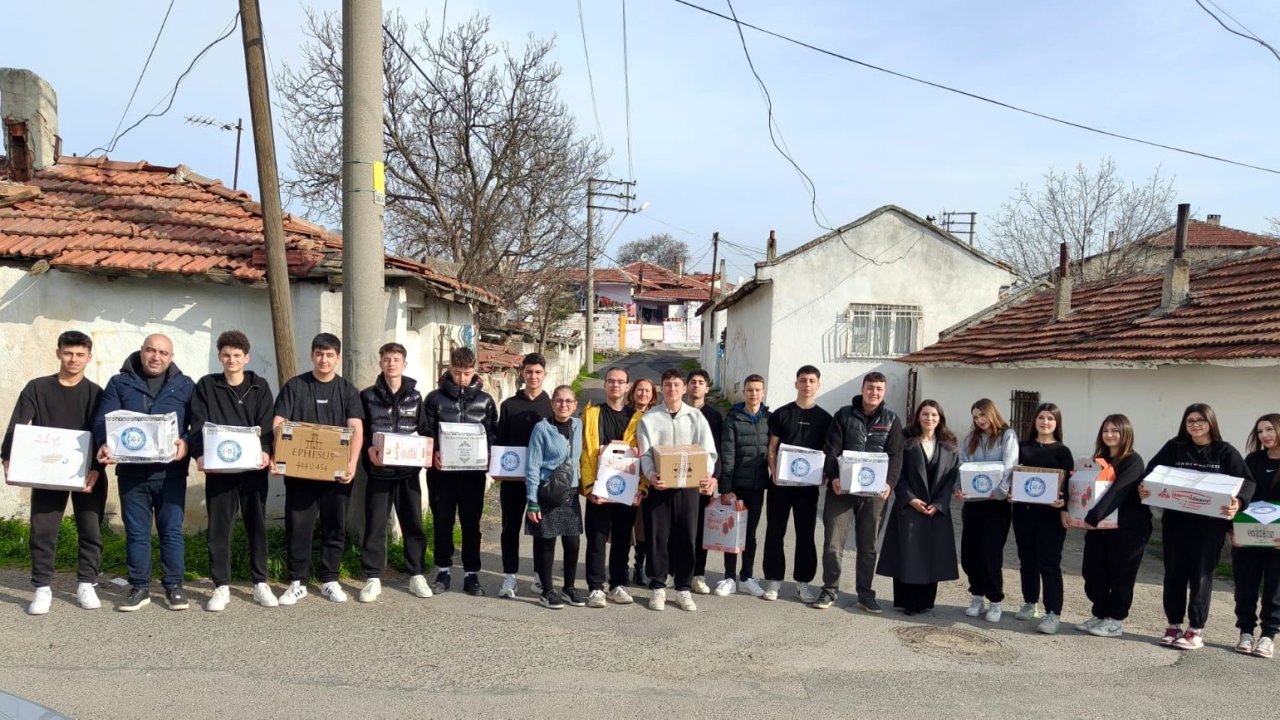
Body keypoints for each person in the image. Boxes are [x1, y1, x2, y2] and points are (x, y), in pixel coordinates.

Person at [2, 331, 105, 615]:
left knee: (91, 530)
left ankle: (86, 582)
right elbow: (18, 425)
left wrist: (97, 469)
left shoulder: (96, 393)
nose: (74, 359)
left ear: (89, 357)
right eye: (69, 353)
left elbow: (103, 434)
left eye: (80, 354)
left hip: (87, 472)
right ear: (58, 352)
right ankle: (42, 587)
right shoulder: (37, 388)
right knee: (44, 530)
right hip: (47, 470)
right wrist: (8, 458)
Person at [1139, 403, 1253, 650]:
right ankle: (1173, 625)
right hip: (1176, 522)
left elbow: (1247, 483)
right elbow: (1152, 472)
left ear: (1211, 422)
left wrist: (1239, 503)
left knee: (1201, 576)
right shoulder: (1175, 447)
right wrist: (1146, 486)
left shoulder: (1225, 452)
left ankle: (1195, 630)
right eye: (1190, 420)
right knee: (1174, 574)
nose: (1195, 425)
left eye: (1200, 420)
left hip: (1209, 526)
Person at [93, 333, 194, 612]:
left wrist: (186, 442)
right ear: (141, 352)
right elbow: (103, 420)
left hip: (170, 473)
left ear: (171, 357)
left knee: (171, 531)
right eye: (151, 350)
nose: (156, 357)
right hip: (132, 475)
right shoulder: (119, 382)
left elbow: (196, 424)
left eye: (163, 353)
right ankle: (139, 587)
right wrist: (105, 441)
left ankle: (174, 587)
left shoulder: (184, 385)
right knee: (137, 532)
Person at [272, 333, 365, 605]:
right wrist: (281, 456)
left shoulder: (347, 390)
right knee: (298, 526)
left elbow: (357, 428)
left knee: (334, 526)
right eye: (319, 354)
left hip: (336, 473)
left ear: (337, 358)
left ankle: (330, 579)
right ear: (312, 355)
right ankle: (296, 581)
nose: (324, 360)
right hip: (300, 473)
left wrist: (351, 464)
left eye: (329, 355)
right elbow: (279, 423)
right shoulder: (295, 386)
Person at [189, 330, 276, 611]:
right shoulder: (206, 386)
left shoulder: (260, 387)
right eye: (226, 355)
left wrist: (266, 450)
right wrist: (199, 454)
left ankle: (260, 582)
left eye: (237, 355)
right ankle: (221, 586)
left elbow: (266, 425)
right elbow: (197, 424)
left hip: (252, 471)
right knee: (219, 528)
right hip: (219, 471)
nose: (231, 360)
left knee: (257, 525)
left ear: (246, 357)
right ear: (219, 357)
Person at [818, 372, 903, 612]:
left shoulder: (892, 420)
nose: (874, 392)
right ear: (862, 388)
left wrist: (889, 483)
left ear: (884, 392)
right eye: (870, 388)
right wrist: (834, 476)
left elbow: (896, 456)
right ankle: (829, 590)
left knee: (868, 547)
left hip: (875, 494)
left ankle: (865, 594)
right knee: (833, 544)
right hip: (841, 491)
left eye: (878, 389)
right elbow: (831, 449)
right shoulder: (843, 415)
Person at [636, 369, 718, 612]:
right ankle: (658, 586)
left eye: (677, 385)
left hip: (689, 488)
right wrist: (651, 475)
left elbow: (709, 451)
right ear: (662, 388)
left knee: (686, 537)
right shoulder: (650, 418)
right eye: (668, 385)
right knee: (657, 537)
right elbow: (645, 453)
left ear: (684, 389)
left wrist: (707, 474)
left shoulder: (696, 417)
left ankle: (683, 587)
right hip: (660, 487)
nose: (672, 389)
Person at [357, 342, 432, 603]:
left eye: (396, 360)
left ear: (404, 364)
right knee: (375, 525)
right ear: (381, 363)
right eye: (387, 359)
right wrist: (368, 451)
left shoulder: (415, 397)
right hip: (379, 473)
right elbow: (362, 434)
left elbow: (424, 431)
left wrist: (426, 452)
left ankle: (416, 574)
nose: (391, 364)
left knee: (413, 524)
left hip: (408, 474)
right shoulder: (366, 396)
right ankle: (373, 577)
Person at [423, 346, 498, 596]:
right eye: (457, 373)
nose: (462, 378)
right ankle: (443, 571)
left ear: (474, 371)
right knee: (442, 522)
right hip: (441, 474)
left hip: (472, 475)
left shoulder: (485, 400)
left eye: (466, 373)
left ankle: (471, 574)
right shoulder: (434, 398)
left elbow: (492, 433)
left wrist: (488, 452)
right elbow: (427, 431)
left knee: (471, 524)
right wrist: (433, 452)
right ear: (449, 370)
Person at [876, 400, 960, 615]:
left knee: (932, 555)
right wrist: (910, 499)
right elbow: (897, 473)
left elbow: (952, 477)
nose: (929, 419)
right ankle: (907, 602)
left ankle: (925, 602)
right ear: (918, 417)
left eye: (933, 415)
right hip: (910, 506)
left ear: (940, 418)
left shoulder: (950, 444)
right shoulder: (905, 441)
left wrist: (941, 503)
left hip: (937, 509)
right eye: (925, 414)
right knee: (908, 555)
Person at [1075, 414, 1149, 638]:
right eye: (1106, 430)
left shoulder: (1133, 461)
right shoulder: (1098, 460)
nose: (1109, 435)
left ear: (1125, 433)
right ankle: (1100, 614)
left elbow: (1118, 492)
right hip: (1100, 528)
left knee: (1121, 576)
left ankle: (1115, 620)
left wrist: (1092, 516)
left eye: (1115, 431)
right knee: (1092, 572)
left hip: (1129, 528)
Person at [763, 365, 831, 603]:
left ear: (818, 385)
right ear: (796, 384)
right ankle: (773, 581)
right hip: (780, 485)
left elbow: (827, 453)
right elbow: (772, 447)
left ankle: (803, 583)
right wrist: (773, 470)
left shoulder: (825, 418)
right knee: (774, 531)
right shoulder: (781, 414)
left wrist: (823, 473)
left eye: (812, 380)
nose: (807, 385)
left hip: (807, 489)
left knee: (806, 534)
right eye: (803, 380)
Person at [580, 366, 642, 608]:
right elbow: (584, 454)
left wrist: (641, 489)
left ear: (627, 387)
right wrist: (589, 487)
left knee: (622, 540)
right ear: (605, 385)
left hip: (627, 490)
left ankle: (618, 584)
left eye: (621, 382)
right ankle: (596, 587)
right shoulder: (592, 415)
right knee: (596, 538)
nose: (616, 385)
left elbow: (646, 456)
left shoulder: (638, 419)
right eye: (611, 381)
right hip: (599, 490)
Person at [1010, 403, 1072, 634]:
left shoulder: (1062, 451)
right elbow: (1012, 475)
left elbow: (1069, 486)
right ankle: (1030, 603)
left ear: (1057, 423)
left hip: (1051, 516)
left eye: (1050, 419)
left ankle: (1053, 613)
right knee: (1027, 559)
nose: (1045, 422)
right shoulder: (1022, 447)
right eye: (1041, 418)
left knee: (1049, 563)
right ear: (1034, 421)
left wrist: (1063, 504)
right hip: (1023, 513)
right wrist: (1010, 491)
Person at [495, 353, 553, 600]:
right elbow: (501, 440)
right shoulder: (509, 405)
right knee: (510, 527)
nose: (533, 376)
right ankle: (510, 576)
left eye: (538, 372)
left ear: (544, 375)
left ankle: (540, 576)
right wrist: (498, 467)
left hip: (542, 481)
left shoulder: (552, 406)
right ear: (522, 373)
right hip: (512, 480)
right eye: (529, 372)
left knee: (541, 527)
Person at [956, 399, 1018, 622]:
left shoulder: (1006, 436)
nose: (979, 420)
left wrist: (1001, 490)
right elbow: (961, 465)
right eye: (975, 417)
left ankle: (995, 601)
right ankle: (977, 596)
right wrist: (959, 488)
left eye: (982, 415)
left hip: (996, 505)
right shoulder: (970, 439)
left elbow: (1011, 465)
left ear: (992, 413)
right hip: (973, 504)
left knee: (990, 554)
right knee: (969, 554)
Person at [524, 386, 585, 609]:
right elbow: (532, 466)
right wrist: (532, 501)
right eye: (559, 401)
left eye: (569, 401)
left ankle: (568, 587)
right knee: (546, 541)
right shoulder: (541, 429)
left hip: (570, 493)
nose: (564, 405)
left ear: (575, 404)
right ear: (552, 404)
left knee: (572, 542)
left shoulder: (578, 425)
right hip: (547, 491)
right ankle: (547, 590)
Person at [715, 374, 770, 597]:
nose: (753, 394)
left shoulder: (770, 418)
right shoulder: (733, 418)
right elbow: (727, 453)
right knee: (732, 532)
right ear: (744, 392)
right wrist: (726, 488)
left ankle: (747, 576)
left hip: (757, 486)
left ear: (763, 392)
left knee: (751, 534)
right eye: (749, 390)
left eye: (757, 390)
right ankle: (729, 577)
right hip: (737, 485)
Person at [1233, 414, 1280, 658]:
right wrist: (1233, 530)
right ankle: (1246, 633)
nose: (1264, 436)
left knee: (1275, 590)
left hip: (1277, 542)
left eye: (1269, 429)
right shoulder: (1252, 460)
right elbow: (1238, 494)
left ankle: (1268, 637)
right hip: (1247, 537)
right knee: (1245, 587)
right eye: (1260, 431)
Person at [686, 368, 724, 596]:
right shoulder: (677, 412)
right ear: (686, 387)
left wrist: (714, 479)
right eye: (692, 381)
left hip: (703, 480)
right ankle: (676, 571)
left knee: (700, 529)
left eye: (700, 382)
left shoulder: (714, 416)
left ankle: (698, 574)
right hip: (678, 479)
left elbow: (717, 451)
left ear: (707, 388)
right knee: (679, 528)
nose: (696, 385)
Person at [627, 377, 657, 586]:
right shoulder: (626, 414)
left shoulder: (656, 417)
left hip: (648, 478)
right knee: (624, 526)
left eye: (647, 391)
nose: (643, 394)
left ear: (653, 395)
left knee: (644, 528)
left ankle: (639, 567)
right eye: (640, 389)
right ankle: (620, 566)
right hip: (626, 476)